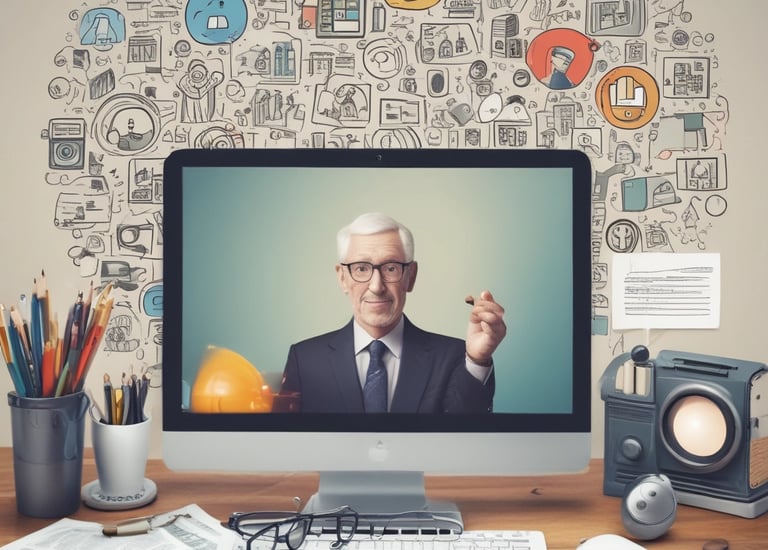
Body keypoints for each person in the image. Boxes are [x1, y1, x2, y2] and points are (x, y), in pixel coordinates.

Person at [279, 212, 507, 413]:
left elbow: (465, 440)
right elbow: (289, 447)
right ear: (342, 277)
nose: (376, 286)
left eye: (390, 268)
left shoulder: (455, 357)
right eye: (361, 268)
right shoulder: (305, 360)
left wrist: (477, 360)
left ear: (411, 276)